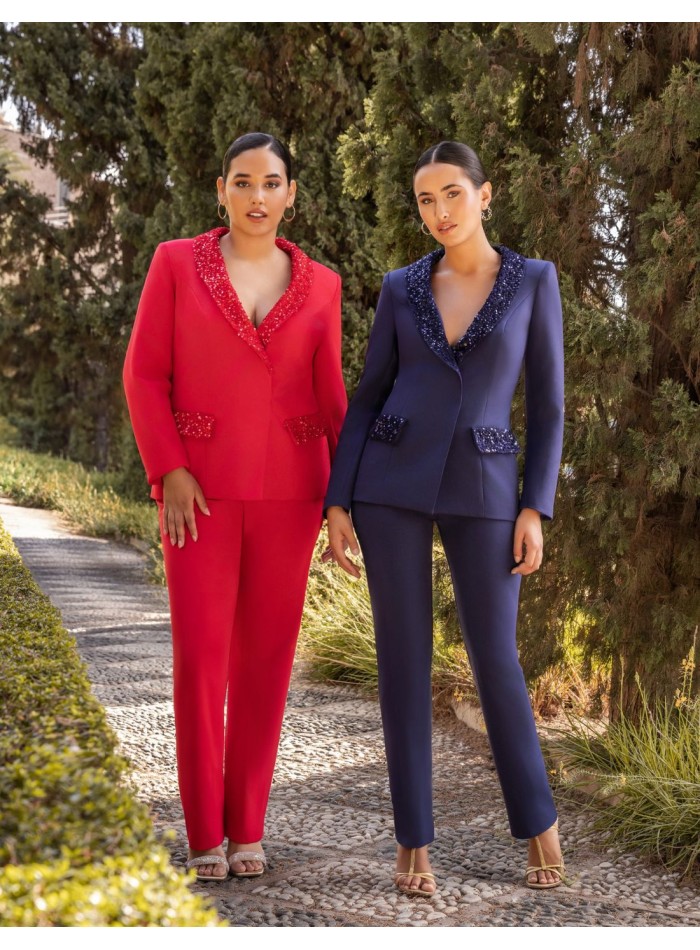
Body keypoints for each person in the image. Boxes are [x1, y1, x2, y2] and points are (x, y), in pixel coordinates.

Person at [324, 141, 566, 896]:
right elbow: (368, 395)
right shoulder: (400, 288)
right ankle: (413, 842)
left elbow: (551, 406)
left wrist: (536, 505)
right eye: (426, 201)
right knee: (402, 659)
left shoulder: (534, 281)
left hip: (489, 486)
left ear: (484, 195)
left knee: (496, 659)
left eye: (452, 195)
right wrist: (338, 499)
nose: (439, 213)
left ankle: (539, 826)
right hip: (390, 484)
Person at [123, 132, 347, 881]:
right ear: (220, 189)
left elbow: (331, 396)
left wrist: (342, 499)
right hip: (200, 498)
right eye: (243, 181)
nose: (257, 196)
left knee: (267, 666)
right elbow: (144, 376)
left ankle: (247, 827)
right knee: (200, 664)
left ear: (291, 194)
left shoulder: (323, 285)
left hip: (293, 495)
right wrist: (170, 471)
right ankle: (203, 836)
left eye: (272, 182)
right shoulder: (176, 263)